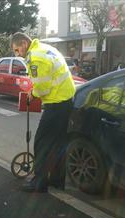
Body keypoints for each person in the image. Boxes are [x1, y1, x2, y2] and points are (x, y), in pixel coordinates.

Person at [10, 32, 76, 192]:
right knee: (58, 143)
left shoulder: (36, 58)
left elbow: (42, 88)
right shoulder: (45, 48)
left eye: (17, 50)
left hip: (56, 103)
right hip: (66, 99)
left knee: (42, 143)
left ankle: (39, 183)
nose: (17, 54)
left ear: (24, 44)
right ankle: (57, 180)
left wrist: (31, 94)